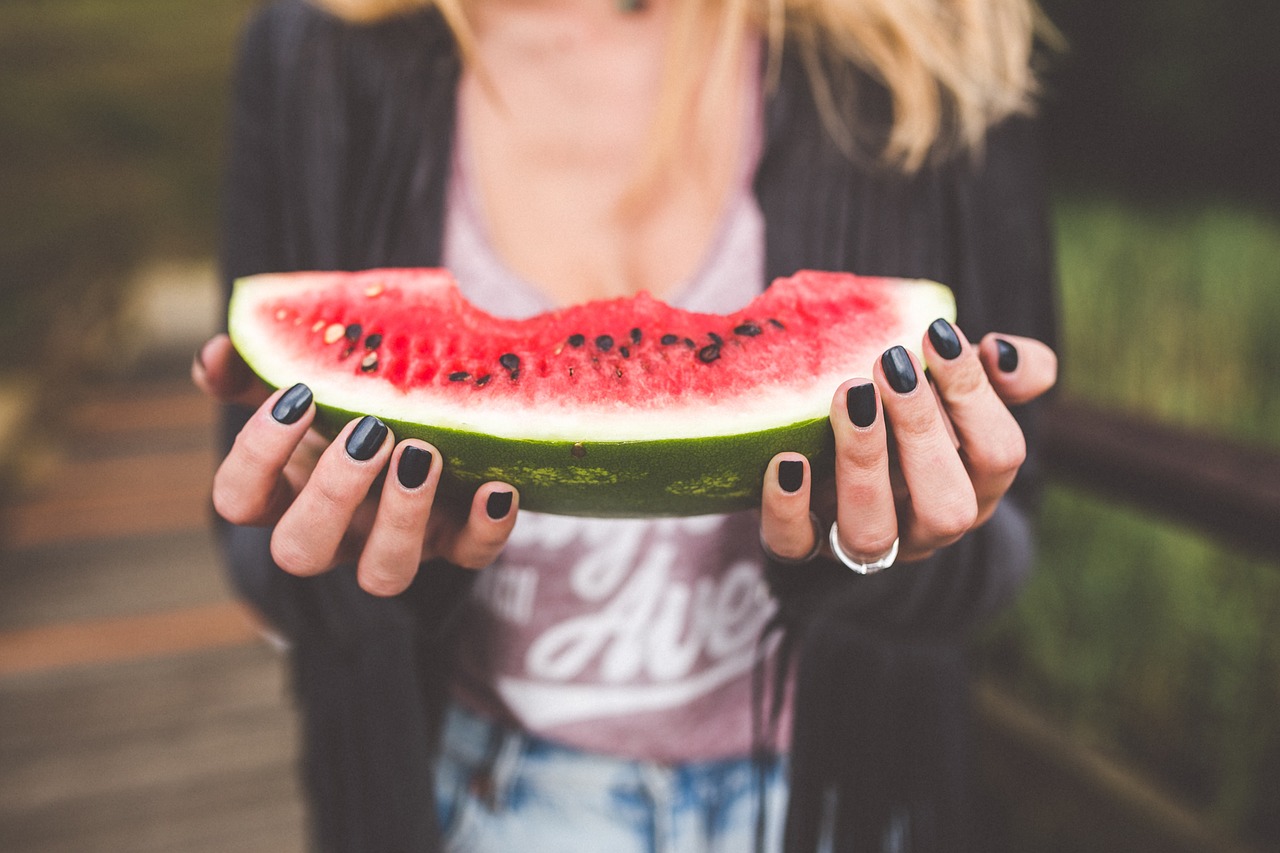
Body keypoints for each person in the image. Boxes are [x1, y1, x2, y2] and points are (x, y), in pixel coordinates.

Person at [192, 0, 1059, 850]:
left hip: (849, 797)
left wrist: (873, 551)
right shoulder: (314, 51)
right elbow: (255, 543)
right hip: (480, 795)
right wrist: (370, 558)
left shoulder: (930, 39)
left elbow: (1010, 541)